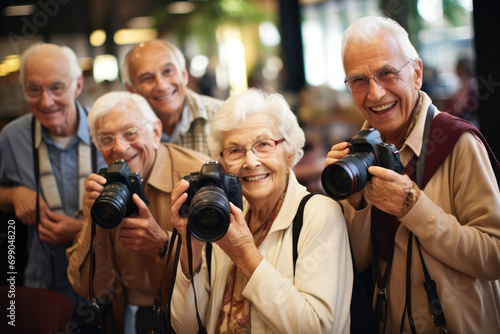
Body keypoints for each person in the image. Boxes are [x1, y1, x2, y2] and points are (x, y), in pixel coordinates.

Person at [324, 16, 500, 333]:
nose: (375, 94)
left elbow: (493, 256)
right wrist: (356, 203)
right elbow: (361, 263)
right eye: (359, 81)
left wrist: (413, 207)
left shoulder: (458, 142)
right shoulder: (359, 156)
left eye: (387, 73)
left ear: (416, 73)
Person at [169, 89, 353, 333]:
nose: (251, 162)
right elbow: (185, 327)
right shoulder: (222, 217)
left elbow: (316, 327)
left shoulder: (319, 215)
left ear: (289, 153)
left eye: (264, 144)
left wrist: (245, 254)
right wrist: (189, 249)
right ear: (223, 165)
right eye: (235, 150)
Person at [66, 91, 210, 334]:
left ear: (155, 133)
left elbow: (221, 272)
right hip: (129, 316)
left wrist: (163, 243)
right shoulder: (103, 186)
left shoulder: (196, 176)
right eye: (106, 139)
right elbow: (89, 288)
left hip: (195, 315)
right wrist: (95, 217)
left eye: (130, 133)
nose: (120, 147)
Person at [0, 43, 105, 305]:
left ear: (77, 86)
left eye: (57, 88)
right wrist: (14, 194)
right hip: (42, 287)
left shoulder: (108, 130)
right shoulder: (11, 138)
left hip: (105, 287)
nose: (46, 101)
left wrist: (82, 230)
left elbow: (137, 208)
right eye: (34, 90)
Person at [121, 39, 223, 156]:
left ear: (184, 74)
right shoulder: (123, 134)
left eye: (168, 71)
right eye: (147, 78)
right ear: (131, 89)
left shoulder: (224, 119)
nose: (162, 86)